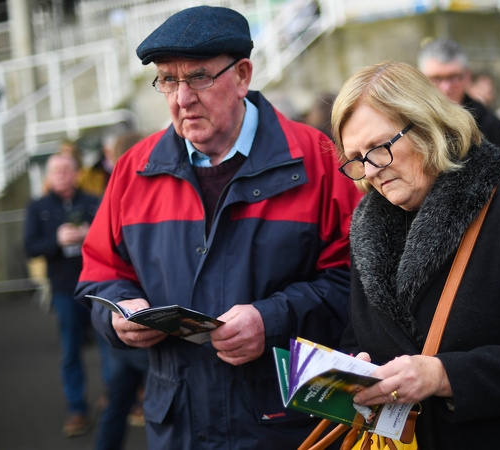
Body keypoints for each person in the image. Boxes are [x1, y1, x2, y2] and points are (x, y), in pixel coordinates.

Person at [74, 6, 361, 450]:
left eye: (199, 77)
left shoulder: (318, 159)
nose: (181, 98)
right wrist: (116, 315)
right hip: (181, 426)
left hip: (298, 423)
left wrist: (272, 319)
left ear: (243, 75)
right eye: (168, 79)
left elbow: (358, 284)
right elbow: (98, 274)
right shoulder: (134, 169)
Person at [333, 61, 500, 449]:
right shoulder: (368, 230)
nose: (369, 171)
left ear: (428, 126)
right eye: (356, 158)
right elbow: (357, 335)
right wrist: (355, 370)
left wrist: (443, 375)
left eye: (380, 148)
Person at [24, 152, 112, 438]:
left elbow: (112, 237)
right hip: (64, 289)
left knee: (110, 346)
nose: (61, 175)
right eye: (56, 171)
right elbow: (29, 247)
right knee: (70, 351)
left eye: (66, 170)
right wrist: (56, 241)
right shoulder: (37, 207)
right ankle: (77, 409)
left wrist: (91, 234)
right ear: (49, 176)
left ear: (75, 173)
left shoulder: (92, 201)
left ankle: (115, 400)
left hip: (97, 286)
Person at [93, 131, 148, 450]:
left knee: (116, 405)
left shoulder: (114, 196)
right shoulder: (137, 198)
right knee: (165, 407)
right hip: (145, 325)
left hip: (123, 320)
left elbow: (101, 269)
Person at [417, 38, 500, 173]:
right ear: (421, 79)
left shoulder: (491, 125)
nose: (447, 87)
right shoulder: (412, 126)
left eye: (454, 76)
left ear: (467, 76)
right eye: (436, 79)